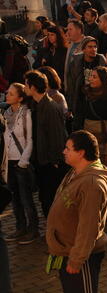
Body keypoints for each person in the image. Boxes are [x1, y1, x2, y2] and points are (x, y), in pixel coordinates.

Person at [46, 130, 107, 293]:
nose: (64, 151)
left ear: (81, 153)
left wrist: (77, 259)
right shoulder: (76, 172)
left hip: (81, 259)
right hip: (68, 252)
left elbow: (88, 226)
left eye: (68, 148)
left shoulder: (91, 184)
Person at [24, 70, 67, 217]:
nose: (24, 87)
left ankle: (56, 231)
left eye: (26, 84)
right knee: (44, 197)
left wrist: (55, 160)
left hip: (50, 163)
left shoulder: (50, 107)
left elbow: (57, 136)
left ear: (33, 87)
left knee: (51, 197)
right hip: (40, 160)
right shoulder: (35, 105)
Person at [3, 83, 38, 245]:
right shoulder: (6, 113)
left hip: (21, 162)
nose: (7, 95)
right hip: (8, 162)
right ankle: (20, 227)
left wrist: (23, 162)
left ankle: (33, 230)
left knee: (26, 198)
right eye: (7, 93)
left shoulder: (26, 114)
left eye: (10, 94)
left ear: (20, 98)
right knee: (14, 198)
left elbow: (29, 140)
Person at [82, 66, 107, 163]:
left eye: (94, 77)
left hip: (103, 142)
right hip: (87, 141)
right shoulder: (86, 93)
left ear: (103, 80)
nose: (90, 79)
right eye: (91, 76)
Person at [68, 37, 107, 131]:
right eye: (90, 47)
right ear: (83, 49)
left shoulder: (101, 60)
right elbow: (71, 84)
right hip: (80, 101)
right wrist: (71, 105)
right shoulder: (76, 62)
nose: (93, 49)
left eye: (95, 47)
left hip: (97, 101)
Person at [64, 20, 85, 93]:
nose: (68, 32)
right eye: (67, 29)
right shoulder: (71, 44)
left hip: (81, 90)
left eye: (70, 29)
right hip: (70, 89)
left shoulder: (87, 44)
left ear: (79, 30)